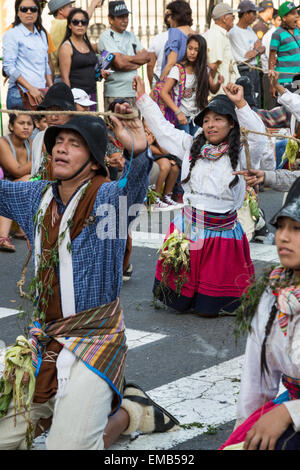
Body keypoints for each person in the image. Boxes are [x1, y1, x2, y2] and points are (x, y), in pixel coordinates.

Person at [0, 104, 179, 450]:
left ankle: (129, 411)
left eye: (74, 143)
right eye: (58, 141)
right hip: (46, 341)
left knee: (67, 448)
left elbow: (135, 191)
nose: (62, 148)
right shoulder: (36, 196)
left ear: (95, 161)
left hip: (95, 343)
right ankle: (60, 410)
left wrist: (139, 151)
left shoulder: (108, 200)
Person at [134, 76, 267, 318]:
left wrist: (241, 105)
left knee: (212, 301)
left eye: (218, 119)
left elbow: (259, 137)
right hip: (189, 225)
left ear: (232, 125)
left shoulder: (243, 153)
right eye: (206, 120)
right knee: (182, 290)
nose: (211, 125)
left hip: (221, 231)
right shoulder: (192, 146)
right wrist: (144, 100)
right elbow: (163, 131)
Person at [220, 178, 300, 450]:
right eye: (281, 227)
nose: (283, 237)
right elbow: (257, 376)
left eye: (297, 229)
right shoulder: (274, 291)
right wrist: (245, 431)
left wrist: (290, 412)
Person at [159, 34, 224, 136]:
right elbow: (164, 93)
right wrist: (178, 113)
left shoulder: (204, 70)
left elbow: (213, 90)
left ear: (201, 52)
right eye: (190, 48)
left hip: (198, 116)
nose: (192, 52)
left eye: (196, 50)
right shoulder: (178, 69)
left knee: (195, 146)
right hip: (182, 116)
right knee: (185, 147)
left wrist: (218, 83)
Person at [97, 1, 150, 112]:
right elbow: (119, 63)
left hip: (133, 92)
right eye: (121, 17)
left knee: (135, 128)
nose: (125, 20)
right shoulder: (106, 36)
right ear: (110, 19)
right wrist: (136, 62)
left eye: (126, 16)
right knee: (115, 128)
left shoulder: (131, 35)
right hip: (115, 94)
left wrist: (125, 58)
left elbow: (147, 57)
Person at [3, 0, 53, 110]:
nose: (29, 12)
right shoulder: (12, 34)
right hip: (20, 94)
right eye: (24, 9)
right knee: (24, 127)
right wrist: (30, 88)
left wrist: (51, 88)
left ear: (38, 12)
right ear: (17, 12)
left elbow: (46, 65)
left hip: (42, 94)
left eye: (33, 9)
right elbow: (8, 67)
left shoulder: (42, 34)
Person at [0, 113, 33, 252]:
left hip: (16, 186)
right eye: (21, 123)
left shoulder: (31, 143)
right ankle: (2, 236)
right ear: (12, 126)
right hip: (4, 186)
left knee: (32, 180)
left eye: (29, 124)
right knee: (26, 180)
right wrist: (39, 159)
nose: (26, 127)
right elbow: (17, 171)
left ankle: (21, 229)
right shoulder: (3, 142)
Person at [30, 82, 77, 180]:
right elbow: (34, 173)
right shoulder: (39, 138)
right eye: (49, 110)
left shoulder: (79, 140)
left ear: (71, 113)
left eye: (59, 110)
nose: (53, 117)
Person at [48, 0, 102, 83]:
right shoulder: (61, 24)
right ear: (60, 11)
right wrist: (93, 4)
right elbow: (84, 18)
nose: (73, 8)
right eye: (70, 6)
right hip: (65, 77)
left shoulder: (56, 25)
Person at [58, 8, 98, 111]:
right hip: (77, 98)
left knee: (92, 124)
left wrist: (101, 73)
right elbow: (65, 78)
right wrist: (71, 101)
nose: (80, 25)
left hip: (91, 94)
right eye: (75, 22)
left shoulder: (89, 45)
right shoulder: (66, 47)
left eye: (83, 22)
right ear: (69, 25)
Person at [229, 0, 265, 108]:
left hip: (254, 71)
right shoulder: (234, 32)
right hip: (244, 72)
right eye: (253, 13)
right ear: (245, 14)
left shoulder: (249, 29)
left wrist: (256, 51)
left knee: (256, 103)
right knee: (247, 104)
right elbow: (246, 57)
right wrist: (257, 50)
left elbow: (261, 46)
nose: (256, 16)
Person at [144, 121, 181, 210]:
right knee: (165, 164)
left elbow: (165, 152)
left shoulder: (158, 132)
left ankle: (166, 196)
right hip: (147, 156)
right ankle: (155, 197)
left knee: (175, 167)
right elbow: (152, 149)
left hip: (161, 156)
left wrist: (156, 137)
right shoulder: (143, 132)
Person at [205, 3, 240, 96]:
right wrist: (211, 89)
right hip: (221, 92)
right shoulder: (216, 35)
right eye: (232, 16)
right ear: (224, 18)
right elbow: (213, 66)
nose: (234, 19)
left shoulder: (220, 34)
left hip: (226, 90)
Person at [269, 1, 300, 97]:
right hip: (285, 81)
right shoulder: (277, 34)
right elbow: (272, 58)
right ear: (284, 18)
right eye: (293, 13)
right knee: (287, 110)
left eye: (297, 12)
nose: (297, 16)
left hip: (297, 80)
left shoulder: (297, 31)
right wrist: (273, 84)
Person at [159, 1, 195, 81]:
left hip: (174, 82)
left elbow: (171, 62)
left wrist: (159, 83)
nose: (168, 19)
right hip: (190, 83)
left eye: (169, 15)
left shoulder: (175, 32)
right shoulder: (196, 35)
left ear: (176, 16)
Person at [261, 8, 281, 109]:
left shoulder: (283, 34)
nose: (281, 22)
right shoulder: (271, 35)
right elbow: (273, 59)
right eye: (279, 20)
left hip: (280, 76)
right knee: (273, 108)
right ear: (273, 21)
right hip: (270, 76)